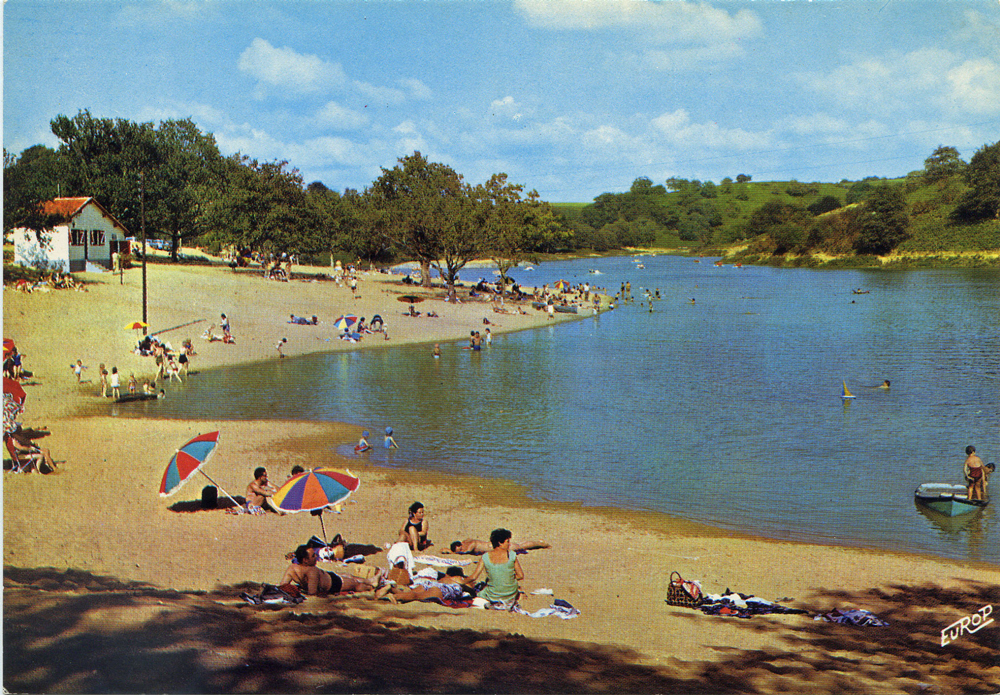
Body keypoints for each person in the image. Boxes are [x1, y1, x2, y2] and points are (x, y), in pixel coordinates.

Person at [280, 545, 381, 596]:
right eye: (313, 556)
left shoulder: (291, 568)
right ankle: (373, 587)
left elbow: (282, 586)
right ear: (305, 560)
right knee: (355, 584)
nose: (316, 557)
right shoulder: (311, 571)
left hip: (329, 576)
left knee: (349, 576)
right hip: (335, 583)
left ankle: (370, 581)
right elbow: (312, 593)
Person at [466, 528, 524, 608]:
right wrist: (506, 578)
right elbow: (520, 576)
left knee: (478, 592)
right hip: (511, 594)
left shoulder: (485, 557)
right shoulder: (512, 555)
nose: (509, 544)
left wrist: (462, 581)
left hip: (493, 595)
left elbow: (474, 577)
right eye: (507, 541)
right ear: (500, 543)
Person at [376, 566, 473, 604]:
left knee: (411, 592)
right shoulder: (458, 579)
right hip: (443, 589)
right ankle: (394, 597)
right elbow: (471, 585)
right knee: (417, 596)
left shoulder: (442, 578)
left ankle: (391, 588)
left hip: (431, 583)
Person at [445, 538, 551, 555]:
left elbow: (466, 552)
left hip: (497, 546)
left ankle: (541, 544)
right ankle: (538, 543)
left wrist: (452, 552)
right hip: (494, 546)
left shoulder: (470, 544)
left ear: (461, 544)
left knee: (521, 546)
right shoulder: (466, 541)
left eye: (460, 548)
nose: (461, 549)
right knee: (520, 545)